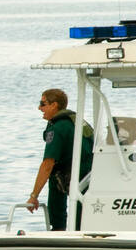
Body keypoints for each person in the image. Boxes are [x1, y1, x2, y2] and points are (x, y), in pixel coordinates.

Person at [26, 89, 93, 230]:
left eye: (42, 104)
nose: (39, 108)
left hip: (75, 175)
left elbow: (47, 165)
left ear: (54, 105)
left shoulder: (57, 128)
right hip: (90, 175)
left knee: (55, 176)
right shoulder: (78, 121)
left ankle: (59, 231)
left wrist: (34, 196)